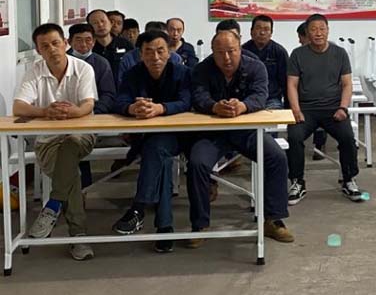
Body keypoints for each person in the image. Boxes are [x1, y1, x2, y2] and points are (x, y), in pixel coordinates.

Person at [188, 30, 293, 245]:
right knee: (197, 164)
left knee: (276, 157)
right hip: (212, 133)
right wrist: (214, 106)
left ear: (240, 49)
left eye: (231, 51)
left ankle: (273, 219)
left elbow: (260, 95)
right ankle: (200, 225)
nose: (226, 58)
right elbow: (198, 96)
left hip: (247, 130)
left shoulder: (255, 67)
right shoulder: (202, 69)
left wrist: (243, 106)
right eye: (220, 53)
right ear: (212, 52)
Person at [13, 23, 97, 261]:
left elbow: (88, 104)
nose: (51, 49)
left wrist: (73, 113)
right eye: (45, 46)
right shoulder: (34, 71)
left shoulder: (83, 68)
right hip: (48, 140)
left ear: (65, 44)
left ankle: (54, 203)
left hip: (81, 135)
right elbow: (19, 107)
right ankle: (78, 237)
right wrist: (45, 112)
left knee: (70, 145)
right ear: (38, 51)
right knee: (71, 173)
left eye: (55, 43)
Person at [112, 30, 192, 253]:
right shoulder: (133, 74)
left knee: (157, 148)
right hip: (145, 137)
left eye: (160, 51)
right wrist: (132, 108)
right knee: (161, 158)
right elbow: (119, 101)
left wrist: (160, 108)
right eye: (149, 52)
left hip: (180, 136)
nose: (155, 57)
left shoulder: (182, 72)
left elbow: (186, 101)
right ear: (140, 54)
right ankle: (164, 228)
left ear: (169, 52)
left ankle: (139, 207)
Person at [286, 14, 364, 204]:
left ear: (328, 30)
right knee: (294, 137)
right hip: (306, 109)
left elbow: (347, 84)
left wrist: (343, 108)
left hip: (333, 109)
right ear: (307, 32)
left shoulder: (340, 53)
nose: (318, 33)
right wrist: (296, 110)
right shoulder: (298, 54)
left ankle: (349, 179)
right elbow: (292, 85)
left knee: (348, 137)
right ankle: (297, 182)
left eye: (322, 29)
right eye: (313, 29)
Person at [67, 23, 117, 188]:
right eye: (78, 40)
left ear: (94, 42)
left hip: (93, 116)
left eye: (88, 40)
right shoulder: (63, 61)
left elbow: (108, 94)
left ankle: (82, 186)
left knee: (76, 141)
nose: (84, 44)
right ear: (69, 41)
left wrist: (94, 112)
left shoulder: (101, 63)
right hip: (66, 116)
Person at [242, 15, 289, 110]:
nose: (262, 32)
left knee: (272, 117)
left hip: (271, 99)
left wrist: (288, 107)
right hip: (248, 99)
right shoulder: (243, 51)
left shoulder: (279, 52)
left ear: (271, 33)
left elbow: (286, 81)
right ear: (251, 31)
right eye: (258, 28)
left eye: (266, 29)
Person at [296, 22, 327, 161]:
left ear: (307, 37)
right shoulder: (298, 55)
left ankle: (319, 145)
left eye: (300, 38)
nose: (299, 41)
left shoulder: (329, 54)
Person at [87, 9, 134, 85]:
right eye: (95, 23)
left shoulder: (125, 44)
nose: (100, 25)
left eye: (103, 21)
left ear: (110, 23)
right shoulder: (88, 48)